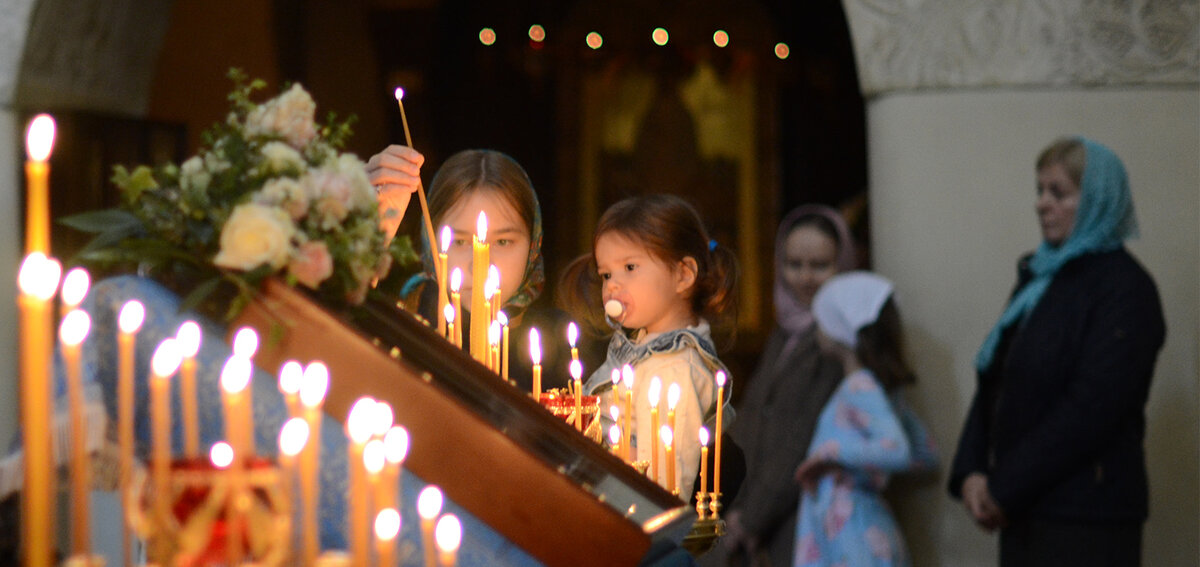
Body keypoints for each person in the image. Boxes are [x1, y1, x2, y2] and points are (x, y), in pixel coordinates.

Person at [948, 137, 1165, 567]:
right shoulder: (1039, 278)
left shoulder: (1125, 288)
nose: (1041, 204)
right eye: (1040, 190)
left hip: (1086, 518)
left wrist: (1003, 487)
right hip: (1026, 511)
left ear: (1099, 200)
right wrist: (972, 471)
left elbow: (1092, 407)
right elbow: (995, 377)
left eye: (1058, 193)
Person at [560, 193, 739, 495]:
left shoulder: (674, 369)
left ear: (683, 275)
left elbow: (666, 487)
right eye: (606, 274)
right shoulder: (646, 348)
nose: (612, 285)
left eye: (630, 268)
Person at [367, 145, 583, 392]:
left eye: (502, 242)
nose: (480, 264)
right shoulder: (399, 325)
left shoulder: (563, 347)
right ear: (430, 240)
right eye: (459, 241)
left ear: (533, 244)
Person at [716, 206, 855, 566]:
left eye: (820, 265)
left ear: (844, 265)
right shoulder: (785, 332)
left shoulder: (838, 339)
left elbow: (802, 437)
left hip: (795, 520)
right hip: (751, 512)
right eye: (794, 265)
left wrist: (750, 518)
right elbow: (755, 420)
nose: (805, 278)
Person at [793, 271, 937, 567]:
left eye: (822, 320)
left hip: (852, 535)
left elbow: (898, 450)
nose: (818, 327)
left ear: (839, 328)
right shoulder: (876, 389)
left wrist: (831, 455)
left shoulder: (860, 386)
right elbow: (924, 453)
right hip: (859, 527)